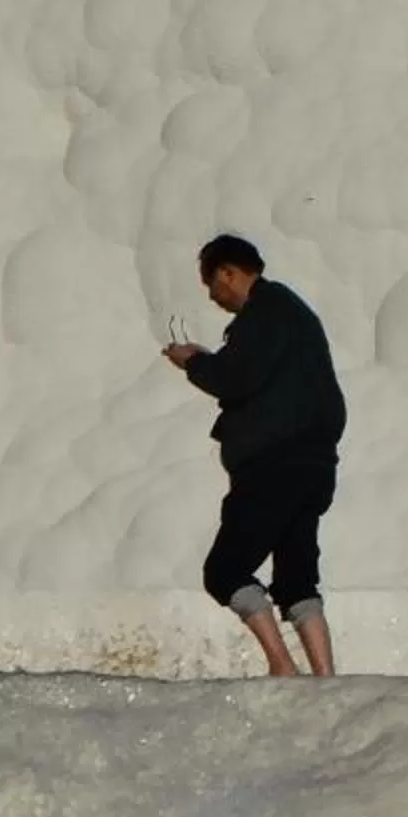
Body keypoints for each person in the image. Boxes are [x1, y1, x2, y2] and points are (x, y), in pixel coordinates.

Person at [162, 235, 348, 676]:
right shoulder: (291, 314)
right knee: (297, 578)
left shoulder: (263, 312)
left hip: (272, 465)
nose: (213, 295)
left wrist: (192, 361)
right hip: (314, 466)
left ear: (228, 271)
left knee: (225, 570)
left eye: (212, 283)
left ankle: (281, 665)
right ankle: (326, 679)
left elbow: (234, 379)